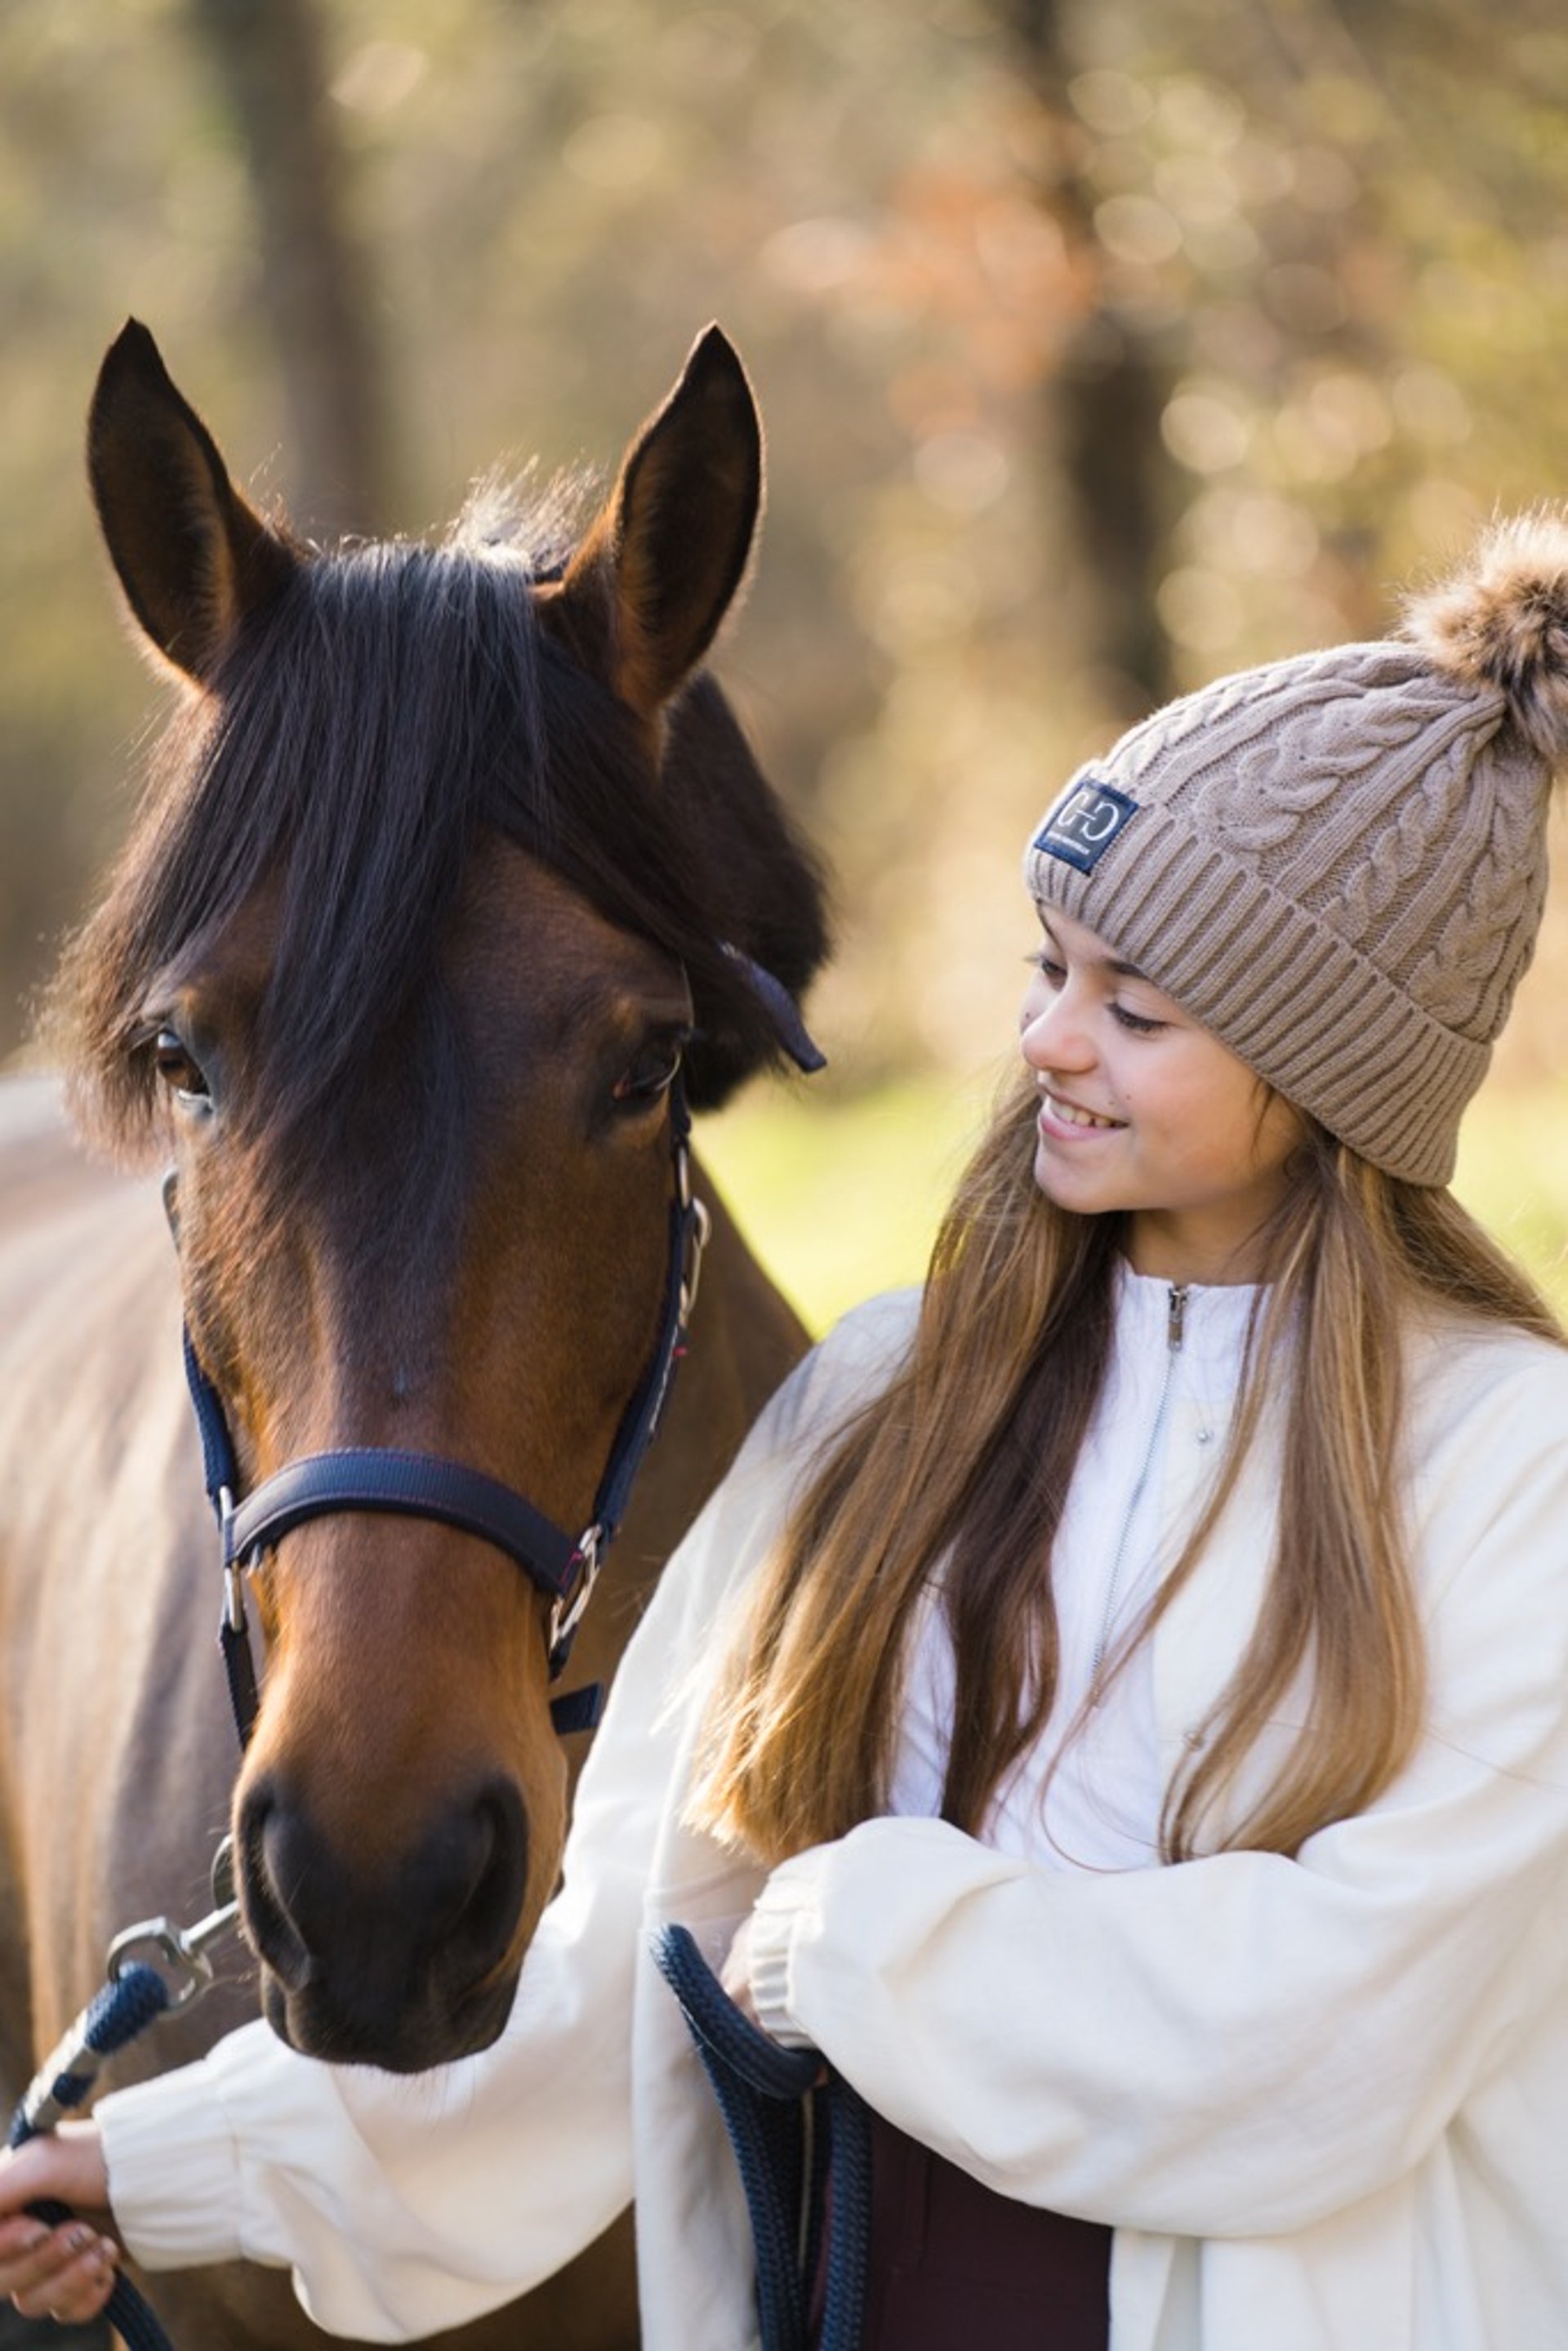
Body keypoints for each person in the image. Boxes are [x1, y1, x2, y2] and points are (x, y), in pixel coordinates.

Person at [3, 512, 1568, 2350]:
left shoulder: (1504, 1465)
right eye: (1049, 967)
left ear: (1330, 1081)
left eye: (1137, 1007)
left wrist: (854, 1931)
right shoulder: (884, 1405)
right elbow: (623, 1983)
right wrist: (165, 2161)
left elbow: (1339, 2039)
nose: (1050, 1042)